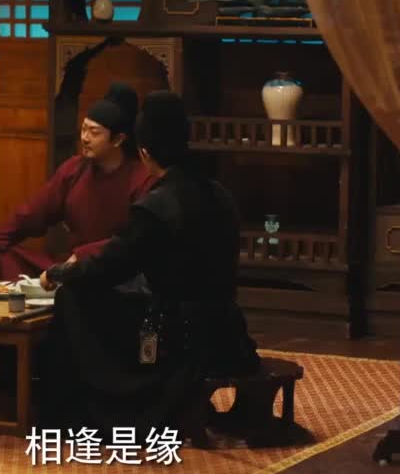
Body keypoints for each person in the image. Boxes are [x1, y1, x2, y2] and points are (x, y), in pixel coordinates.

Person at [36, 91, 260, 435]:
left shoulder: (159, 205)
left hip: (176, 335)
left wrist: (64, 273)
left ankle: (81, 407)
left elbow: (112, 266)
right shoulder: (219, 194)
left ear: (144, 152)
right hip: (227, 329)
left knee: (74, 296)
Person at [0, 81, 156, 280]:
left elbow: (133, 239)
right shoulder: (75, 169)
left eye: (94, 132)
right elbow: (32, 213)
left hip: (115, 272)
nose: (85, 138)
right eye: (83, 129)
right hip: (71, 268)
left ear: (118, 140)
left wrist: (82, 256)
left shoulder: (142, 177)